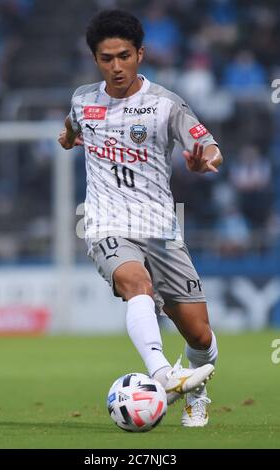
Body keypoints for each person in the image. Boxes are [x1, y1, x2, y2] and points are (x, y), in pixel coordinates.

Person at [58, 9, 222, 427]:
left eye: (124, 56)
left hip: (162, 228)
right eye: (107, 58)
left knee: (200, 335)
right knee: (136, 284)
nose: (116, 66)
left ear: (141, 55)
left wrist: (206, 162)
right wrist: (68, 137)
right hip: (104, 221)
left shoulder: (165, 103)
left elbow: (208, 146)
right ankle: (163, 375)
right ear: (95, 59)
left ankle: (196, 390)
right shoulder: (82, 99)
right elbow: (72, 126)